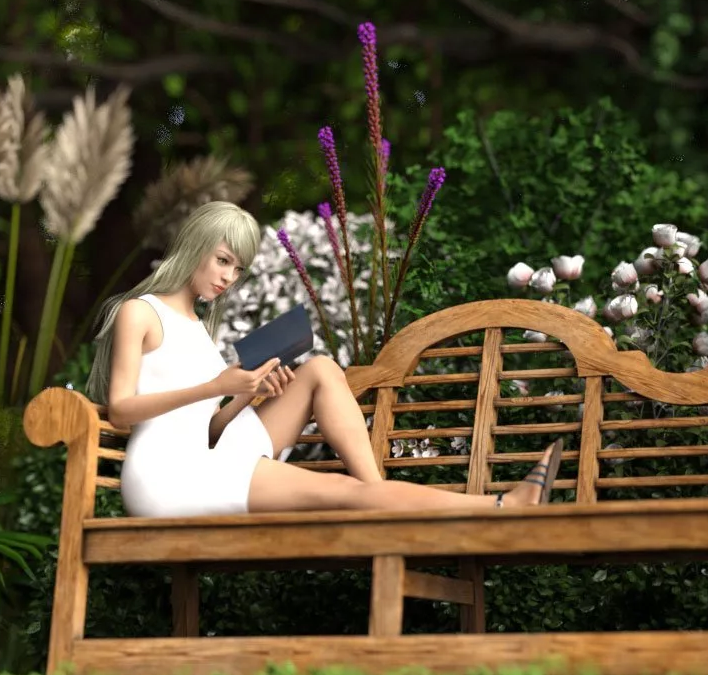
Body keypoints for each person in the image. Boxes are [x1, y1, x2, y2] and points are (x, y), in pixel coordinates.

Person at [85, 200, 563, 518]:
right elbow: (122, 411)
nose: (228, 277)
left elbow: (206, 427)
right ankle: (500, 507)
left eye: (238, 268)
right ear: (194, 248)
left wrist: (246, 393)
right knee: (344, 492)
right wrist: (218, 387)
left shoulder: (197, 326)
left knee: (318, 370)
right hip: (166, 477)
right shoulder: (139, 312)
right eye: (223, 260)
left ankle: (377, 494)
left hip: (204, 457)